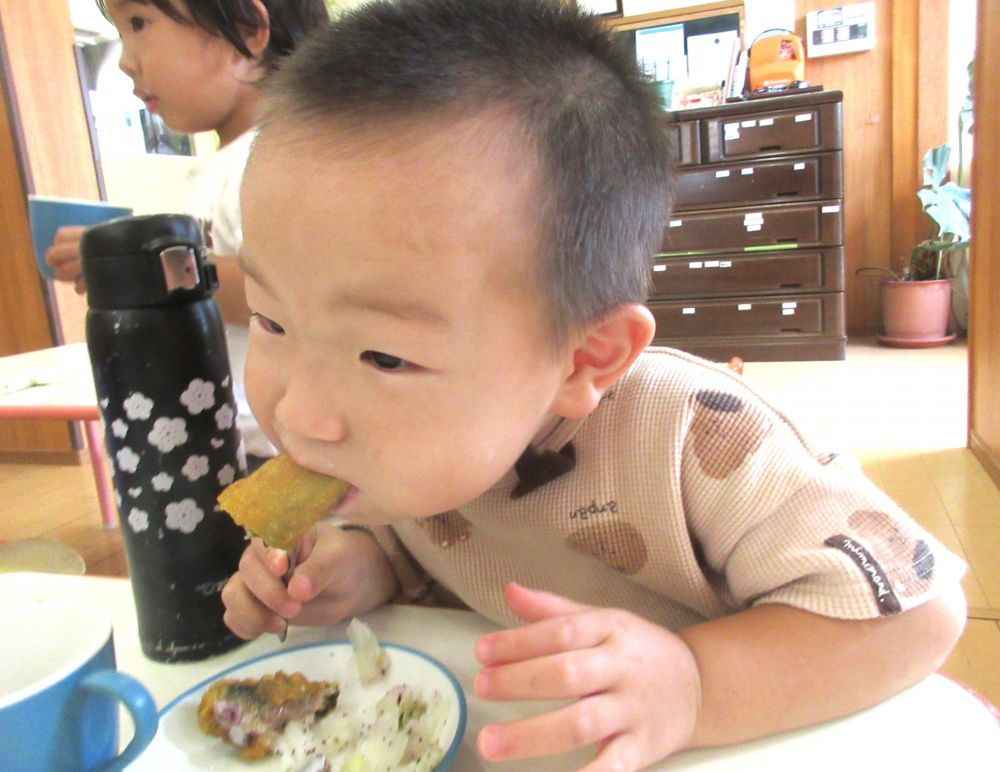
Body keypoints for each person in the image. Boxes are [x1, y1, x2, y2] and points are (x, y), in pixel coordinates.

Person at [221, 0, 968, 768]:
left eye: (383, 358)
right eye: (273, 322)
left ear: (586, 359)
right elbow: (432, 539)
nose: (299, 414)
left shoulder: (697, 438)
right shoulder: (404, 454)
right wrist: (361, 566)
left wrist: (697, 686)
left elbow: (920, 614)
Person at [44, 0, 329, 466]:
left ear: (246, 28)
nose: (124, 59)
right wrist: (129, 273)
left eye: (139, 24)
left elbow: (294, 294)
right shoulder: (224, 166)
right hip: (227, 440)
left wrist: (153, 269)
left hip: (283, 451)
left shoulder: (287, 157)